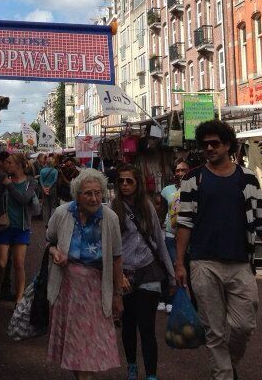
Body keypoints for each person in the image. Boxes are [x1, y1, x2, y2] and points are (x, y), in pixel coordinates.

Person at [175, 119, 262, 380]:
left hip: (240, 262)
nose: (209, 148)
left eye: (215, 143)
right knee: (214, 330)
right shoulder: (193, 179)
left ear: (227, 145)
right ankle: (223, 374)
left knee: (244, 325)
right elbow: (184, 223)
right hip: (203, 262)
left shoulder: (247, 178)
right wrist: (179, 263)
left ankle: (227, 363)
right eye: (205, 144)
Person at [46, 168, 124, 379]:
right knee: (74, 343)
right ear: (77, 195)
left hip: (95, 290)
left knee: (88, 343)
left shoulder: (110, 218)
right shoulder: (62, 213)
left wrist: (117, 295)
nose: (94, 198)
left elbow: (117, 257)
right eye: (88, 193)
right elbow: (49, 241)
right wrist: (55, 252)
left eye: (98, 193)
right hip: (66, 288)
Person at [112, 164, 175, 380]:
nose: (125, 185)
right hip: (125, 273)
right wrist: (117, 275)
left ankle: (151, 374)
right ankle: (132, 366)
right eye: (121, 181)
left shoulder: (147, 206)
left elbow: (159, 240)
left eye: (129, 181)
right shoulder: (113, 209)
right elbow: (108, 246)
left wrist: (171, 275)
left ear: (137, 183)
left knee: (147, 327)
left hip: (149, 270)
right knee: (128, 324)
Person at [0, 152, 35, 305]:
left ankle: (19, 298)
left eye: (9, 162)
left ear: (19, 165)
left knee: (19, 264)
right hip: (4, 226)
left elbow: (24, 199)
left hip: (21, 227)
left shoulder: (30, 181)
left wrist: (9, 186)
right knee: (1, 263)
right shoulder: (3, 178)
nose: (6, 165)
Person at [160, 160, 190, 265]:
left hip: (190, 236)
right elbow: (161, 213)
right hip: (171, 236)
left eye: (183, 170)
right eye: (177, 170)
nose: (180, 173)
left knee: (190, 266)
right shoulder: (166, 190)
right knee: (176, 266)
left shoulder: (195, 189)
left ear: (189, 171)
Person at [39, 155, 59, 221]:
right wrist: (49, 188)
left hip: (44, 188)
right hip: (52, 189)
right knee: (53, 205)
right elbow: (55, 180)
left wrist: (44, 188)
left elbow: (40, 180)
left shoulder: (42, 170)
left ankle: (46, 222)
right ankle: (52, 221)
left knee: (45, 206)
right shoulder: (55, 171)